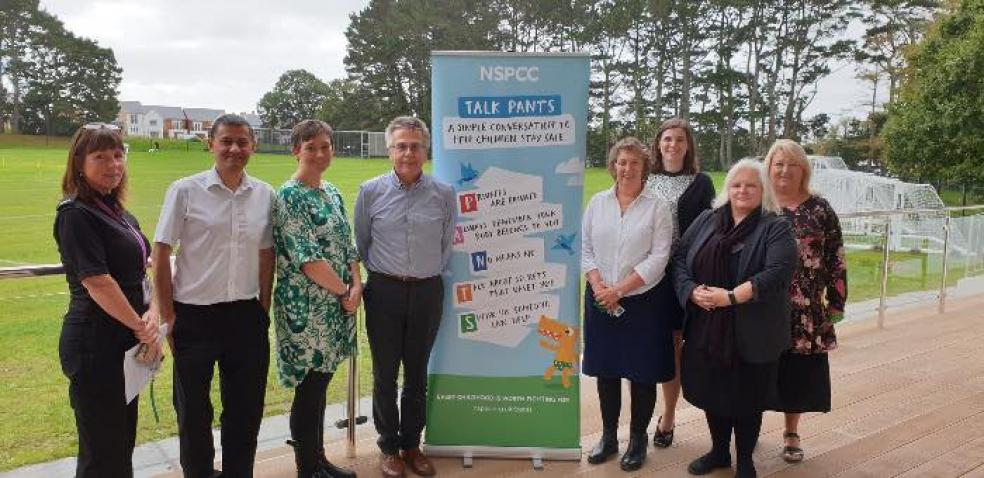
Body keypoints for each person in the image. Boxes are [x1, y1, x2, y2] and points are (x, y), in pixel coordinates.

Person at [152, 114, 275, 478]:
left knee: (245, 409)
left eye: (242, 142)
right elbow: (161, 251)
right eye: (226, 141)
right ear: (211, 145)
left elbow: (266, 253)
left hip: (246, 317)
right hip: (194, 316)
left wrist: (263, 305)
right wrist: (167, 314)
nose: (235, 149)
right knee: (193, 412)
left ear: (253, 146)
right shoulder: (185, 190)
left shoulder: (265, 195)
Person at [672, 158, 796, 478]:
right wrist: (691, 291)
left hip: (753, 331)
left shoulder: (776, 226)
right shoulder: (707, 220)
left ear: (763, 190)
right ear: (727, 188)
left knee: (747, 396)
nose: (742, 190)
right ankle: (718, 452)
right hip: (707, 326)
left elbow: (777, 272)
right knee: (712, 390)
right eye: (736, 184)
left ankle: (745, 460)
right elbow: (680, 259)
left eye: (751, 185)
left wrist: (729, 297)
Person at [54, 123, 159, 477]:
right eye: (100, 156)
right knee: (101, 450)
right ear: (79, 163)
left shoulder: (120, 213)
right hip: (94, 344)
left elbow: (142, 271)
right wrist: (141, 327)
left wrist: (152, 316)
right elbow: (97, 282)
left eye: (118, 155)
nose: (113, 164)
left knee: (121, 441)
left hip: (124, 341)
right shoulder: (75, 214)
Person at [354, 116, 455, 478]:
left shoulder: (444, 194)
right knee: (385, 374)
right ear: (390, 150)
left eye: (415, 146)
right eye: (401, 146)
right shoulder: (370, 192)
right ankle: (389, 447)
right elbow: (362, 242)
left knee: (416, 374)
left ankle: (412, 445)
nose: (408, 153)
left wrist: (422, 273)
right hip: (384, 291)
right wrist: (388, 275)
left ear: (425, 151)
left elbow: (446, 244)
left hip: (427, 291)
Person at [581, 137, 675, 471]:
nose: (627, 168)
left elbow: (660, 257)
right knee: (606, 370)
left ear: (645, 167)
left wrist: (619, 290)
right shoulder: (597, 203)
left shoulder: (657, 206)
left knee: (642, 373)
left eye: (635, 162)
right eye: (622, 162)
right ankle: (608, 438)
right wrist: (598, 286)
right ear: (613, 166)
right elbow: (585, 248)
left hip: (643, 302)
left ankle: (637, 440)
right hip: (600, 299)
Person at [272, 120, 359, 478]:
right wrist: (345, 291)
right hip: (305, 311)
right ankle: (307, 468)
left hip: (336, 306)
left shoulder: (332, 192)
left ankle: (319, 460)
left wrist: (356, 285)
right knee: (309, 390)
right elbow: (307, 259)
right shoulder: (289, 197)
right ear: (296, 151)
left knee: (321, 384)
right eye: (311, 148)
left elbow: (348, 246)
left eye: (325, 146)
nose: (320, 154)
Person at [765, 139, 847, 463]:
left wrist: (837, 301)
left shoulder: (820, 208)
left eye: (793, 164)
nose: (785, 170)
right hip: (762, 306)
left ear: (804, 170)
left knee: (796, 373)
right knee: (758, 369)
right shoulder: (759, 204)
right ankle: (748, 428)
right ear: (769, 167)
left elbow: (836, 256)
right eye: (778, 163)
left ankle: (791, 433)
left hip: (805, 309)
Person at [645, 118, 716, 449]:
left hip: (683, 276)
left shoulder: (701, 183)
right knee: (648, 346)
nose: (672, 145)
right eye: (667, 139)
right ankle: (640, 420)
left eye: (679, 139)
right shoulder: (645, 179)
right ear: (658, 144)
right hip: (647, 274)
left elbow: (711, 229)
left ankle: (669, 416)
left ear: (688, 146)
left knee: (675, 347)